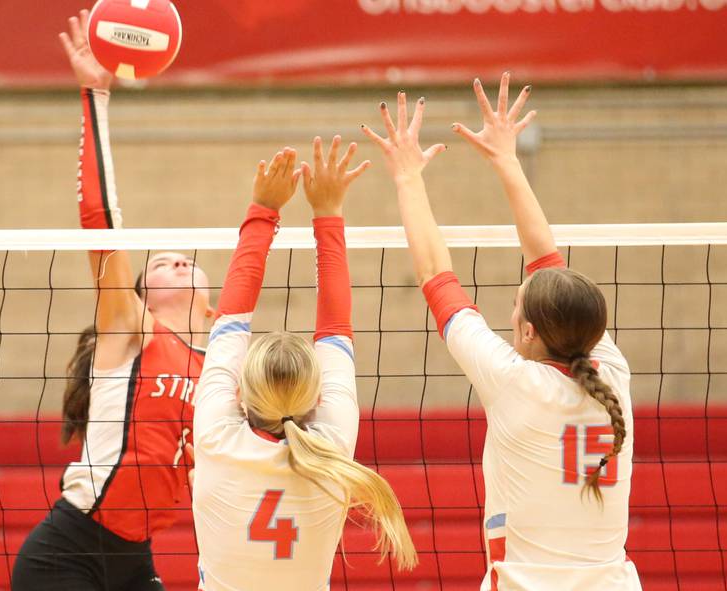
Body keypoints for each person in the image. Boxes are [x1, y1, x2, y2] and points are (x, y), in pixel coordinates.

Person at [362, 74, 642, 590]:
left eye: (514, 307)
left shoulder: (514, 382)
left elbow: (433, 273)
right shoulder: (613, 372)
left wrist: (407, 175)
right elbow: (546, 263)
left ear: (530, 331)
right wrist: (507, 160)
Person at [12, 10, 215, 590]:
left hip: (134, 561)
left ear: (207, 298)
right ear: (139, 294)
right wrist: (95, 95)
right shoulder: (132, 329)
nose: (175, 259)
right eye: (158, 262)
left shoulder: (220, 363)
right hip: (67, 554)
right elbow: (101, 222)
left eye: (187, 260)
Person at [192, 135, 418, 590]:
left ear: (239, 392)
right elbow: (335, 326)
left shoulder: (216, 435)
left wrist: (264, 209)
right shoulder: (332, 444)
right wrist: (326, 211)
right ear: (317, 396)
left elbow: (231, 318)